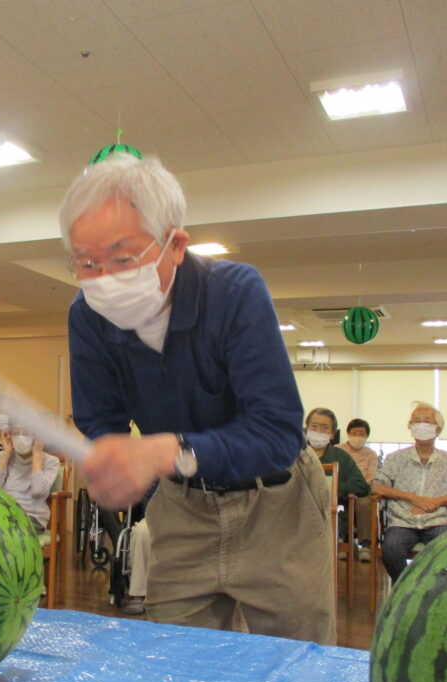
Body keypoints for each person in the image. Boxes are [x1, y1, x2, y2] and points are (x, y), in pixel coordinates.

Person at [63, 153, 334, 644]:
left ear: (176, 245)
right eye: (86, 262)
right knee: (176, 671)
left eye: (123, 258)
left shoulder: (234, 293)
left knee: (295, 670)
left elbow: (275, 434)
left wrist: (165, 451)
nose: (103, 278)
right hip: (183, 511)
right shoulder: (87, 316)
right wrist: (115, 465)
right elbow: (102, 422)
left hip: (276, 506)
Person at [371, 402, 447, 583]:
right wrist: (414, 498)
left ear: (438, 429)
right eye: (416, 421)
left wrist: (438, 501)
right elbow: (377, 486)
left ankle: (430, 592)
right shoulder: (396, 458)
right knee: (391, 548)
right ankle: (408, 589)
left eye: (427, 421)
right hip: (402, 521)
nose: (421, 425)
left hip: (437, 521)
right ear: (410, 427)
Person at [304, 408, 369, 559]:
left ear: (332, 434)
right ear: (306, 429)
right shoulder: (294, 455)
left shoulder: (341, 457)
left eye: (325, 427)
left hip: (331, 514)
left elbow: (361, 486)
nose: (318, 430)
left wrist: (332, 489)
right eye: (314, 426)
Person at [0, 423, 60, 532]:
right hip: (4, 512)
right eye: (16, 432)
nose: (20, 436)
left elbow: (38, 491)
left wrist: (37, 454)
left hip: (32, 518)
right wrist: (6, 454)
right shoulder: (2, 456)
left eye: (26, 432)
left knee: (4, 530)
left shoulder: (51, 461)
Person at [336, 417, 379, 561]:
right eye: (355, 433)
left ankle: (365, 545)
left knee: (364, 504)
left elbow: (371, 476)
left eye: (362, 434)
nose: (358, 437)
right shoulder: (338, 450)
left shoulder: (371, 454)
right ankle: (342, 542)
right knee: (339, 503)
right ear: (348, 433)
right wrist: (347, 490)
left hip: (362, 491)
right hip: (342, 490)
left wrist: (358, 489)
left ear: (367, 436)